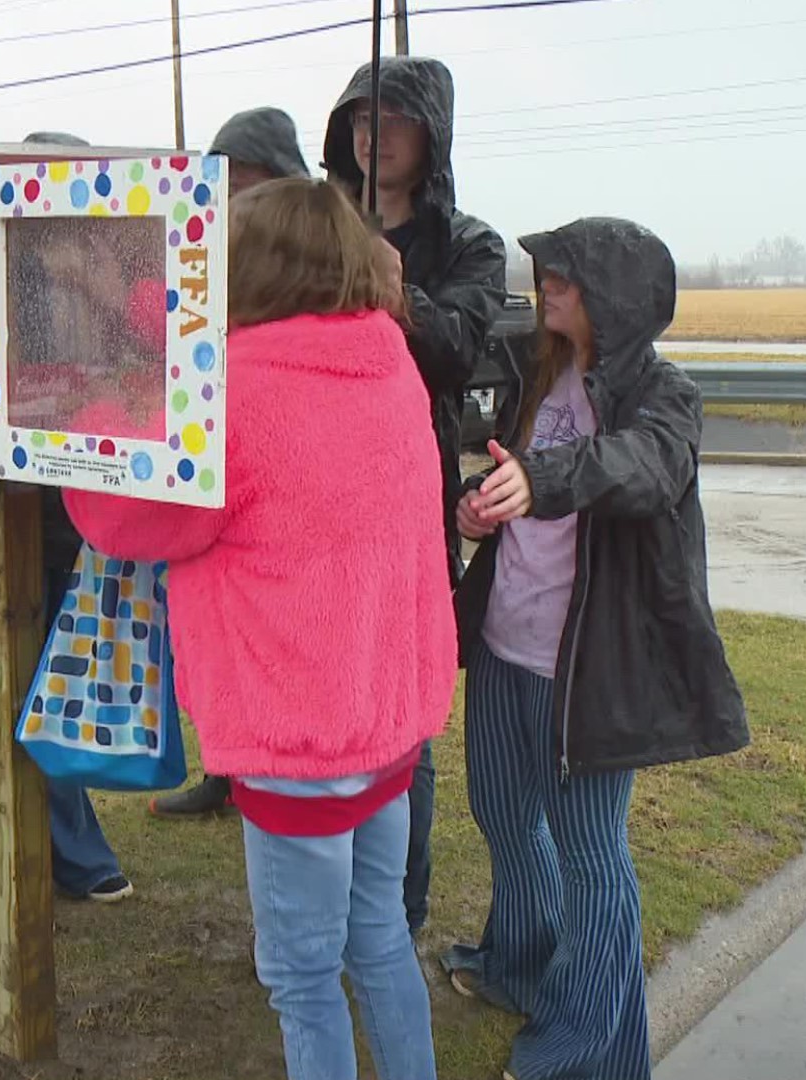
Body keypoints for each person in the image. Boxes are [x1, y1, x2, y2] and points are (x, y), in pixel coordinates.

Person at [64, 178, 456, 1080]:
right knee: (381, 941)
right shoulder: (387, 359)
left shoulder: (233, 394)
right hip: (385, 721)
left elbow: (131, 520)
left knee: (300, 973)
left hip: (296, 732)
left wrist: (87, 418)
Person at [442, 217, 749, 1080]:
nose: (547, 287)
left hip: (587, 673)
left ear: (611, 297)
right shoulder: (540, 376)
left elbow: (644, 469)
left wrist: (542, 482)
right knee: (504, 816)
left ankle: (584, 1046)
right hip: (506, 646)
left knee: (590, 855)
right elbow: (515, 477)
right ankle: (516, 968)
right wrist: (482, 503)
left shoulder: (664, 395)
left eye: (565, 278)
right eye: (547, 274)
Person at [322, 55, 508, 936]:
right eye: (361, 116)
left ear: (430, 136)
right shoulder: (318, 222)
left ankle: (397, 909)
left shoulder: (470, 244)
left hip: (405, 488)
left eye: (392, 119)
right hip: (314, 488)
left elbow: (456, 354)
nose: (372, 133)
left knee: (403, 706)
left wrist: (392, 285)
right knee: (324, 693)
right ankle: (324, 894)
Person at [0, 131, 132, 905]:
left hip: (68, 514)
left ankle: (71, 854)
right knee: (3, 689)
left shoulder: (103, 269)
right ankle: (5, 864)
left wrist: (102, 290)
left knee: (58, 688)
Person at [148, 105, 312, 819]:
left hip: (282, 489)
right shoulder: (208, 248)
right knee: (215, 632)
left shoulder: (308, 257)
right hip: (217, 471)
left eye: (242, 181)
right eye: (222, 180)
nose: (229, 196)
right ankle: (228, 770)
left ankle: (272, 777)